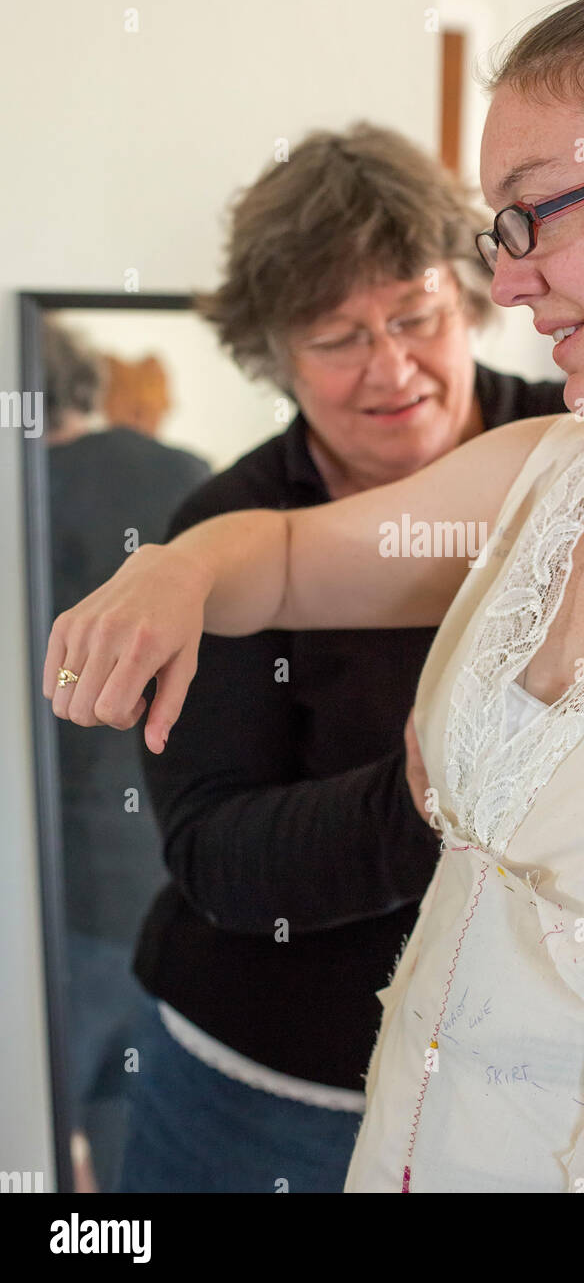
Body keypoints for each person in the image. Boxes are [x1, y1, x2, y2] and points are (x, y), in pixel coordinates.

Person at [45, 0, 584, 1193]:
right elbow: (280, 557)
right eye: (498, 231)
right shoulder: (548, 468)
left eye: (534, 213)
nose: (509, 277)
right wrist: (177, 565)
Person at [95, 123, 564, 1194]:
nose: (389, 369)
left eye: (415, 316)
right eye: (337, 338)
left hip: (510, 1086)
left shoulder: (577, 450)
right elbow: (215, 852)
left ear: (469, 297)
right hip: (267, 1087)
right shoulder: (224, 530)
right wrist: (426, 796)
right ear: (274, 355)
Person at [44, 320, 211, 1190]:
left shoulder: (27, 496)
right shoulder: (186, 474)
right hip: (175, 879)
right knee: (133, 1153)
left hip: (59, 892)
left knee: (35, 1131)